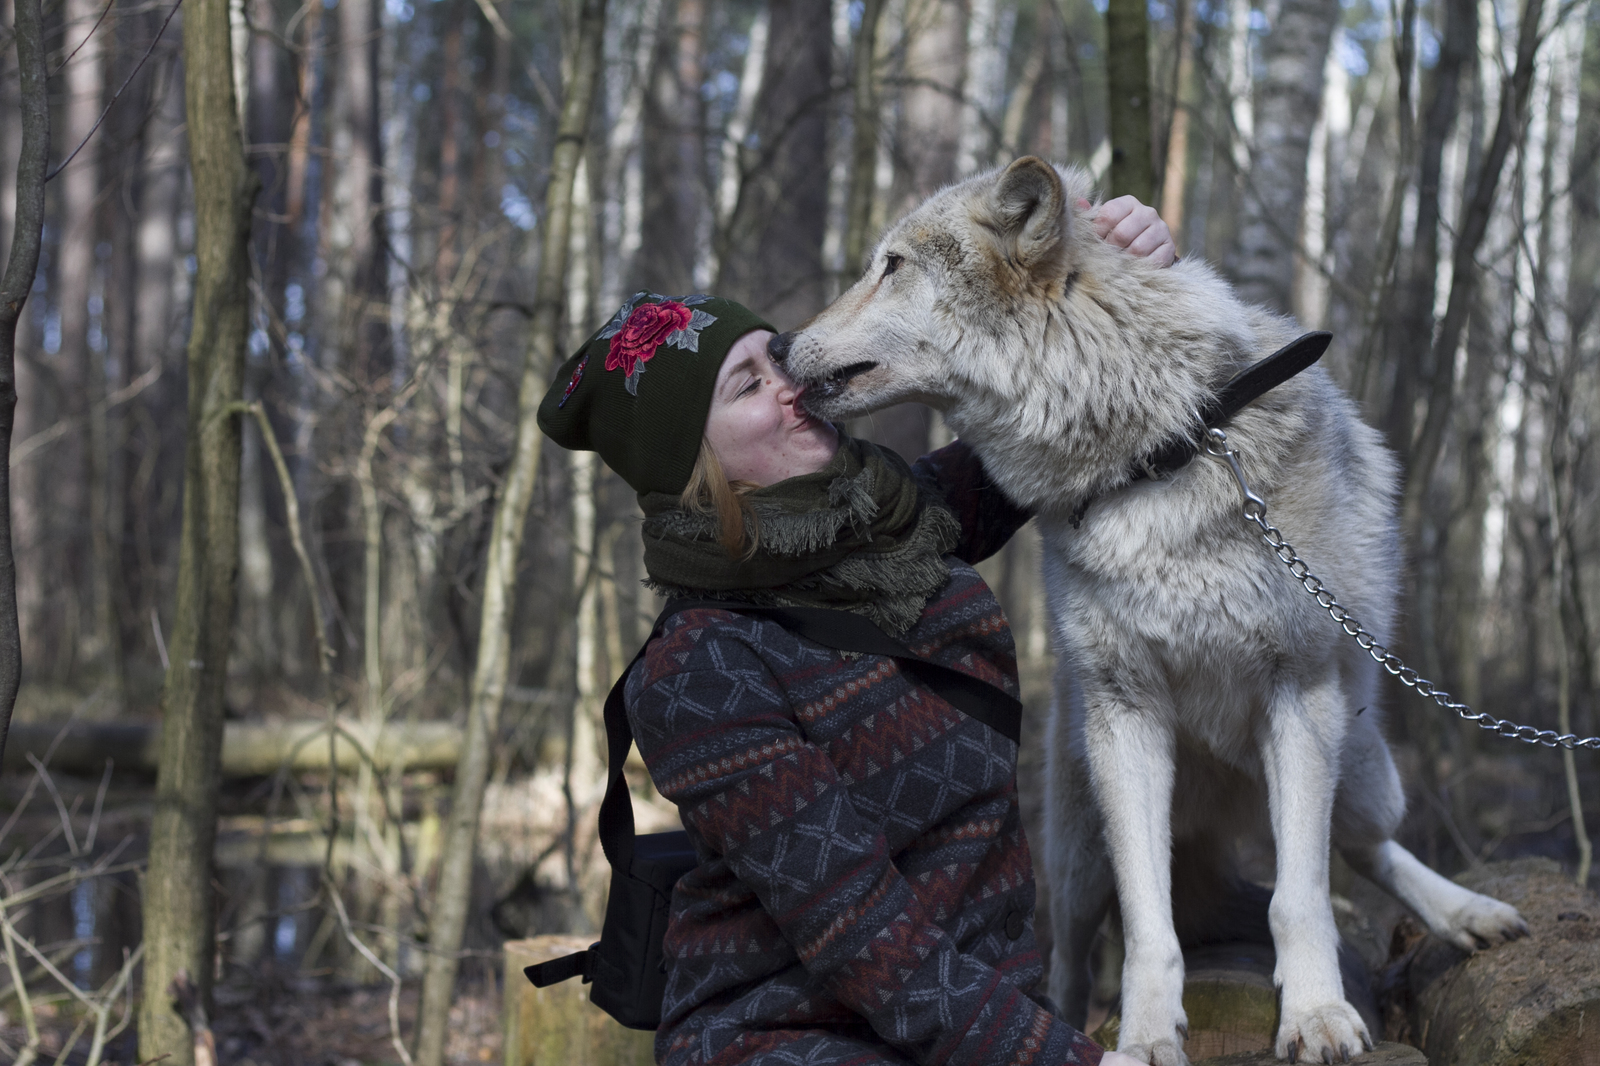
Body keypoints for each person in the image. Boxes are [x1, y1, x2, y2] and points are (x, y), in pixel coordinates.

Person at [536, 198, 1174, 1066]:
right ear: (697, 461)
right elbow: (865, 938)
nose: (794, 382)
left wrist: (1113, 260)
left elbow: (1050, 399)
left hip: (979, 1026)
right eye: (749, 385)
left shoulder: (902, 514)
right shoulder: (698, 669)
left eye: (774, 356)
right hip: (791, 1042)